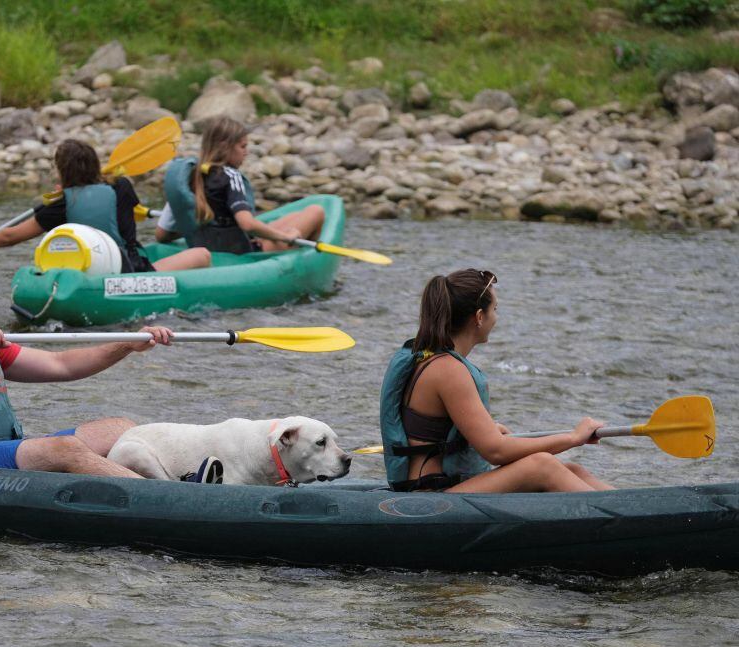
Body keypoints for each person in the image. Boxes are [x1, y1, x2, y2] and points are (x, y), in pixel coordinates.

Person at [0, 245, 212, 480]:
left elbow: (62, 365)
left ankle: (178, 479)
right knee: (64, 449)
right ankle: (168, 498)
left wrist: (127, 343)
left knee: (121, 427)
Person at [379, 268, 615, 493]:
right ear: (479, 317)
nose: (496, 317)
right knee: (542, 465)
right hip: (430, 495)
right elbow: (496, 451)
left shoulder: (433, 358)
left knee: (572, 470)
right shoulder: (448, 369)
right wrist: (574, 438)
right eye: (495, 309)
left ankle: (637, 507)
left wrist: (483, 430)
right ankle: (626, 523)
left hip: (438, 486)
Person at [0, 139, 210, 272]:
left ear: (62, 171)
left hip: (89, 272)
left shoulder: (62, 203)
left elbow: (13, 235)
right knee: (203, 254)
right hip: (130, 270)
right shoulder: (121, 186)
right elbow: (124, 222)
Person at [157, 116, 325, 255]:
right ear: (224, 148)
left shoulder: (187, 178)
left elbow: (161, 235)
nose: (246, 152)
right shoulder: (231, 176)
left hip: (209, 251)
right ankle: (308, 266)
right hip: (245, 253)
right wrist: (283, 237)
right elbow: (247, 224)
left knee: (294, 215)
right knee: (315, 212)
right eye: (242, 146)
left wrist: (196, 229)